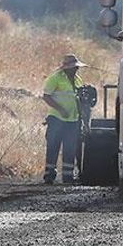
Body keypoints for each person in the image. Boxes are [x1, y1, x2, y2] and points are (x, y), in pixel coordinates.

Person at [42, 54, 86, 184]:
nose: (76, 70)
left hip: (73, 120)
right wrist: (61, 109)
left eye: (76, 68)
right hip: (56, 119)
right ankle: (49, 175)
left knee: (70, 148)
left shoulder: (78, 80)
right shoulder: (55, 78)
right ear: (66, 68)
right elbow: (46, 96)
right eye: (73, 68)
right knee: (53, 147)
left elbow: (78, 99)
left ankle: (68, 176)